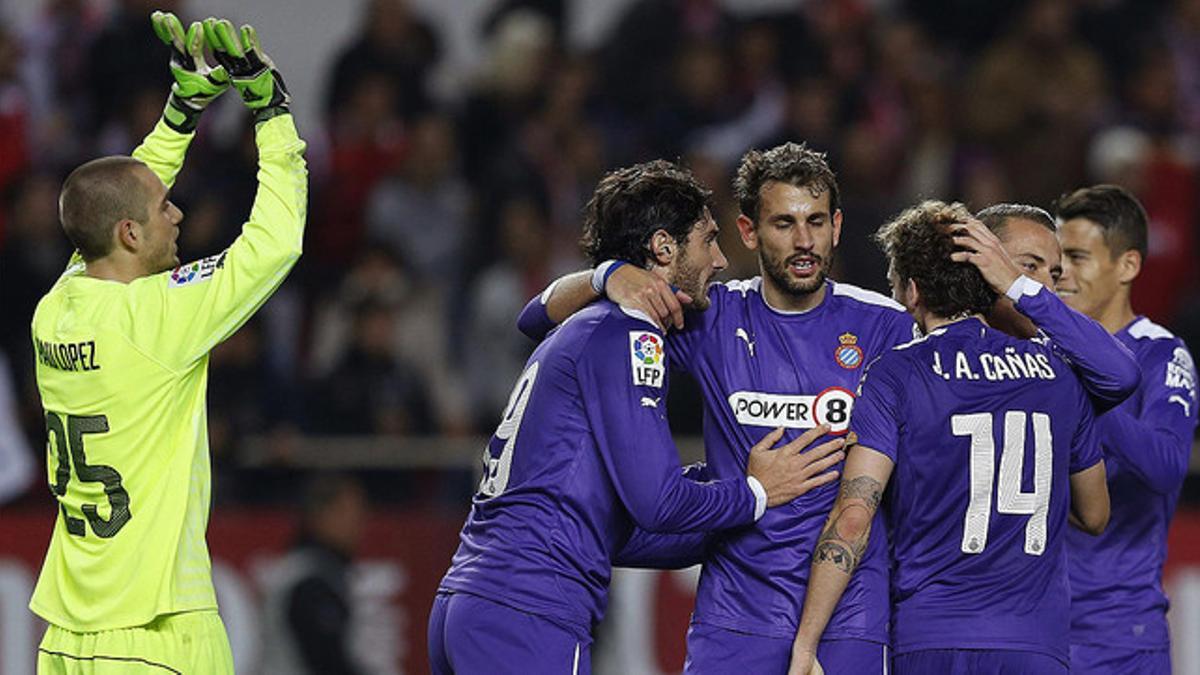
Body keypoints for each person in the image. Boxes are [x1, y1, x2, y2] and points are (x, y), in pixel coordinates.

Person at [429, 159, 848, 674]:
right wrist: (756, 490)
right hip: (530, 609)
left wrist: (737, 508)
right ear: (664, 247)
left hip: (471, 600)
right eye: (707, 239)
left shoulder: (587, 322)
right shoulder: (633, 335)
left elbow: (530, 316)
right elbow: (658, 504)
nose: (719, 259)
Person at [519, 143, 917, 673]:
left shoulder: (886, 326)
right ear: (749, 231)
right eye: (783, 224)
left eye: (816, 222)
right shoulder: (712, 317)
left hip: (850, 619)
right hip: (734, 618)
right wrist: (608, 275)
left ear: (837, 226)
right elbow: (536, 320)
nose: (804, 241)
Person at [29, 13, 304, 674]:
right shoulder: (159, 319)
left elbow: (117, 196)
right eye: (164, 211)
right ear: (129, 234)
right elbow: (276, 243)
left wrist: (180, 112)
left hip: (66, 635)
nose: (177, 211)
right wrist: (273, 114)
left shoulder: (57, 309)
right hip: (157, 631)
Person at [787, 200, 1110, 675]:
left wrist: (806, 642)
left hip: (930, 637)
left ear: (913, 291)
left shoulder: (895, 374)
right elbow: (1096, 513)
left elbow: (853, 518)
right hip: (1034, 644)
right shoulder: (1059, 374)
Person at [1055, 185, 1199, 674]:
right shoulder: (1039, 352)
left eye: (1077, 257)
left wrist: (1087, 391)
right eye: (1057, 260)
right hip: (1033, 628)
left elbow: (1165, 465)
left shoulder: (1159, 354)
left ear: (1128, 266)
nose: (1061, 275)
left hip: (1117, 636)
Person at [259, 473, 370, 675]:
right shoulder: (308, 581)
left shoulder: (314, 569)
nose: (357, 523)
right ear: (321, 515)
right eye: (347, 512)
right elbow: (328, 661)